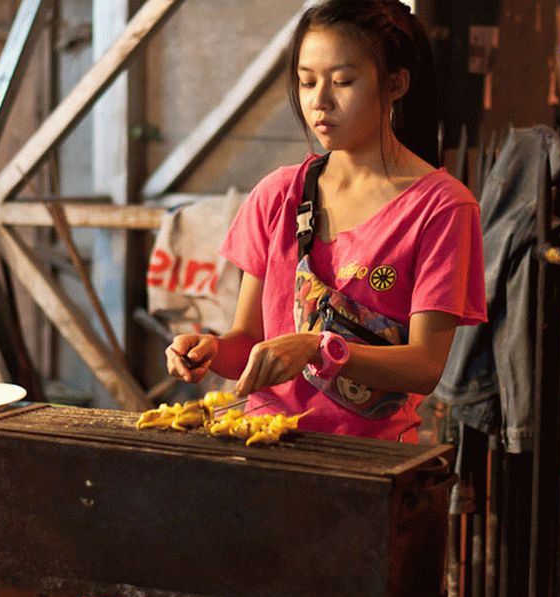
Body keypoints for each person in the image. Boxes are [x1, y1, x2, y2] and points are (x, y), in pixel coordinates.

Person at [165, 0, 487, 442]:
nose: (320, 101)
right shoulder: (279, 194)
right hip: (264, 444)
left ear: (395, 84)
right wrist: (211, 350)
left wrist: (321, 348)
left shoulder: (442, 207)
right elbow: (248, 342)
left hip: (367, 461)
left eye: (343, 81)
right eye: (307, 82)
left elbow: (425, 366)